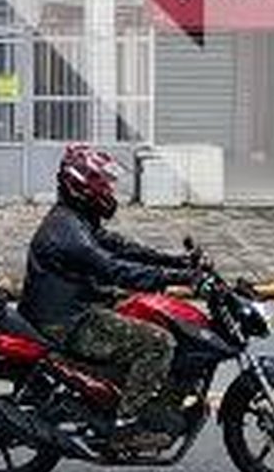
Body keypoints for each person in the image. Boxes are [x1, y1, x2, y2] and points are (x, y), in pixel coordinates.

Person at [21, 142, 194, 440]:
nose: (109, 193)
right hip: (66, 323)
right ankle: (127, 424)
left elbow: (120, 247)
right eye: (105, 186)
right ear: (84, 187)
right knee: (158, 342)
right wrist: (178, 277)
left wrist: (176, 261)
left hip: (75, 305)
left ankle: (121, 391)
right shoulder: (68, 232)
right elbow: (114, 269)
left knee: (146, 310)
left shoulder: (75, 219)